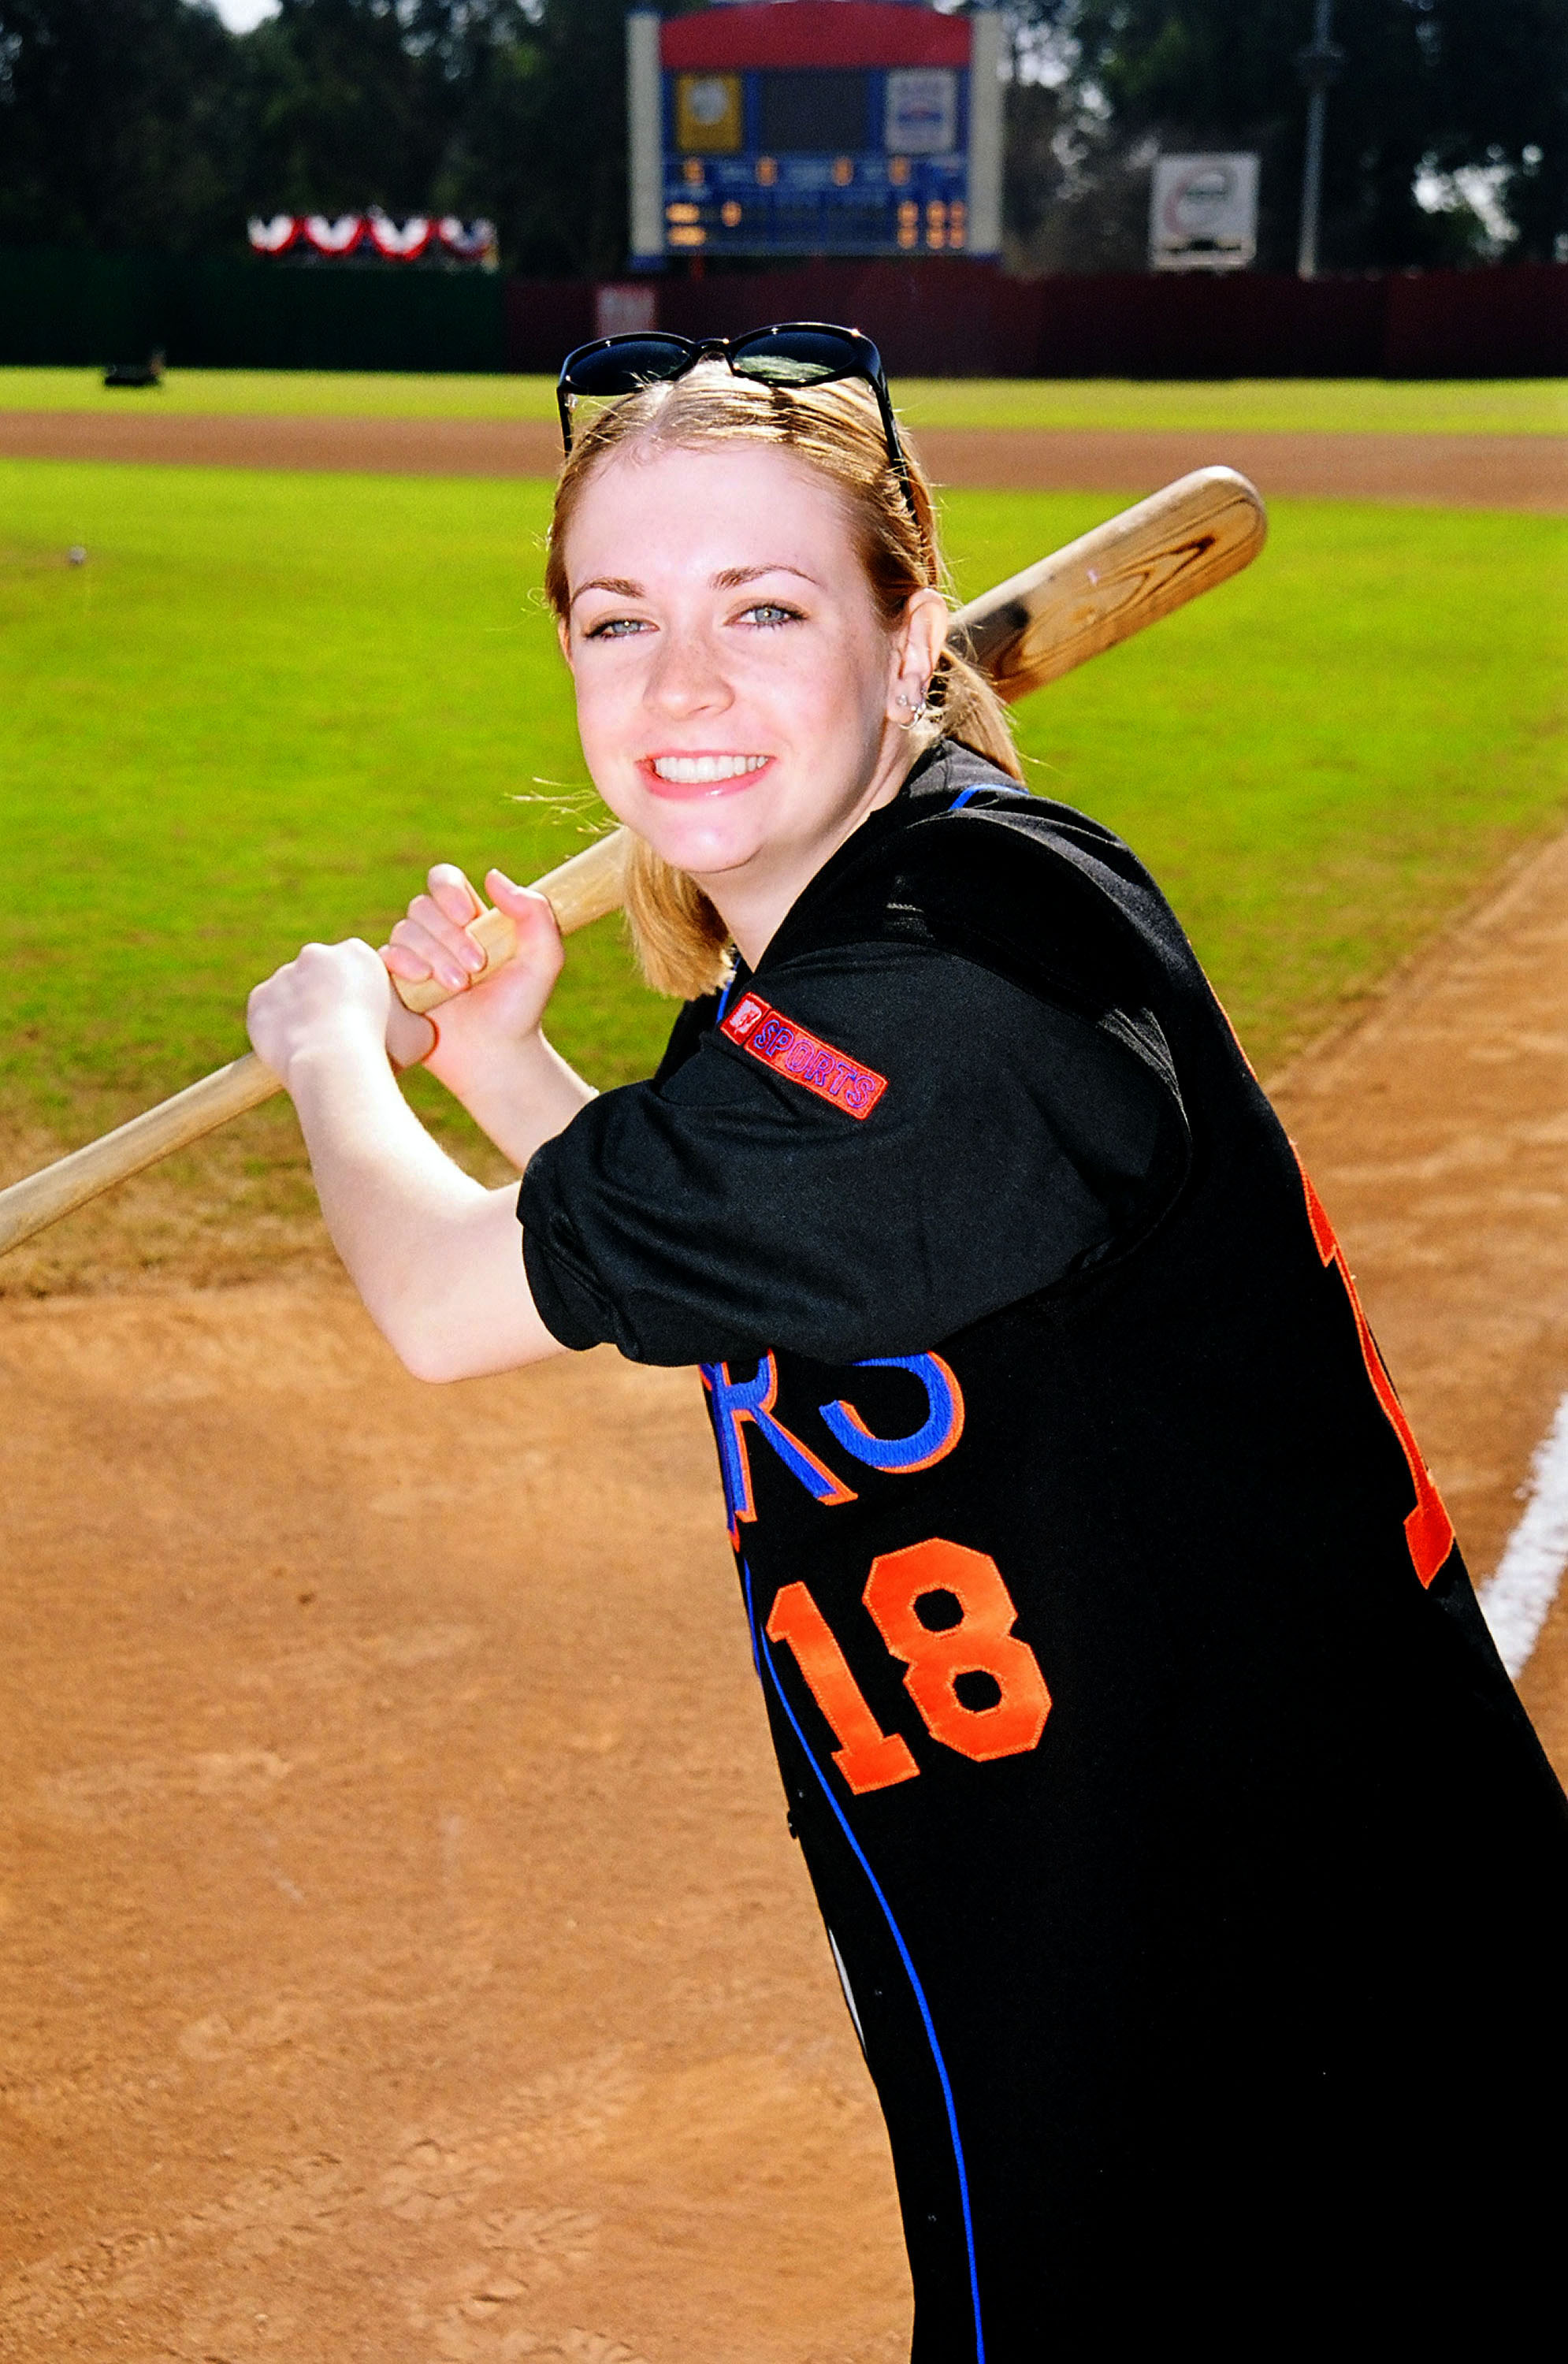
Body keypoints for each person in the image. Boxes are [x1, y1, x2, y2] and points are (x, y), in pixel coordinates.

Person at [247, 327, 1567, 2353]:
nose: (679, 690)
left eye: (761, 608)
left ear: (904, 630)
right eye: (621, 622)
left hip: (1283, 2033)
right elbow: (757, 1272)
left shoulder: (962, 989)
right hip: (1112, 1949)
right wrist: (506, 1063)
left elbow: (443, 1304)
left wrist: (338, 1053)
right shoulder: (856, 975)